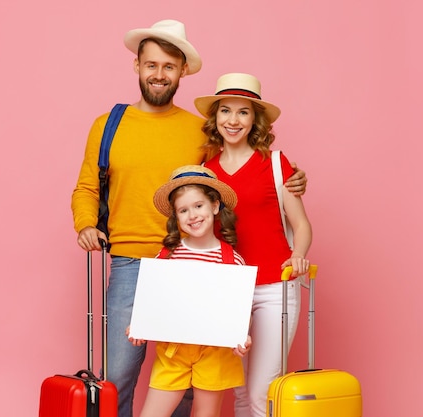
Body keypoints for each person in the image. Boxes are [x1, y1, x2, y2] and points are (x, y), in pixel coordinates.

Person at [71, 20, 307, 417]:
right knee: (119, 375)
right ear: (137, 67)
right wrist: (85, 224)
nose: (159, 74)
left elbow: (233, 169)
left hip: (189, 263)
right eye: (151, 65)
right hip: (131, 262)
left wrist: (292, 178)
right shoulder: (108, 125)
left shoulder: (199, 130)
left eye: (168, 66)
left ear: (182, 71)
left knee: (191, 378)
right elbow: (87, 188)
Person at [196, 73, 313, 417]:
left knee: (263, 391)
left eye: (243, 112)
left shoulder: (277, 164)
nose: (233, 120)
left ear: (254, 120)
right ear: (215, 118)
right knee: (240, 392)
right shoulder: (204, 170)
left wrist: (299, 256)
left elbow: (301, 224)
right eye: (226, 111)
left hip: (276, 285)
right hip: (228, 288)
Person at [126, 165, 252, 417]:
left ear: (215, 206)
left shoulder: (232, 260)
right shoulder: (167, 255)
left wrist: (242, 336)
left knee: (206, 414)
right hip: (173, 351)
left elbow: (238, 308)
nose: (192, 215)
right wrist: (140, 324)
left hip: (215, 353)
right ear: (176, 217)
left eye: (198, 206)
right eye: (183, 210)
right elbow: (154, 300)